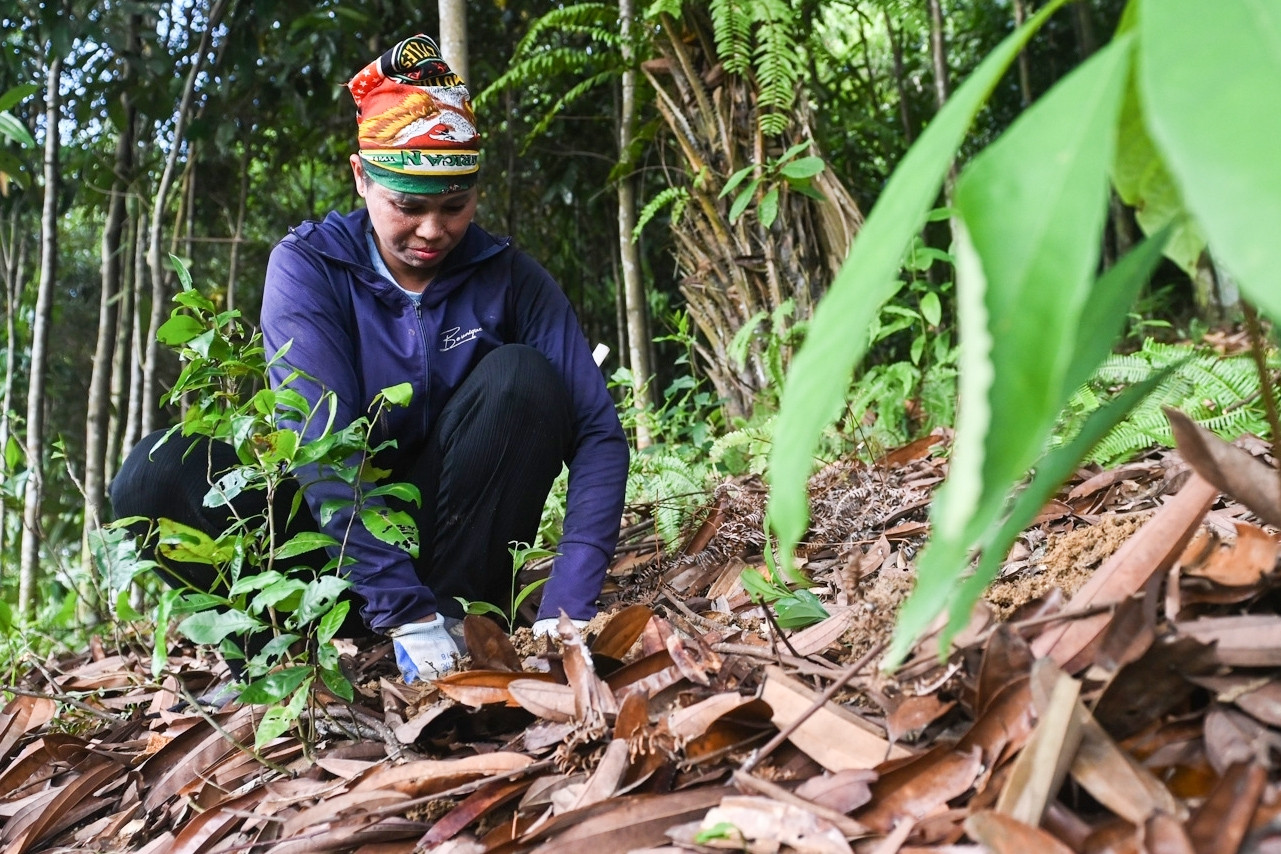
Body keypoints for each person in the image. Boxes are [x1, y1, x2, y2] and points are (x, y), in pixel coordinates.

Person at [110, 34, 630, 684]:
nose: (432, 230)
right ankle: (279, 652)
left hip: (449, 546)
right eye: (407, 207)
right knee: (152, 474)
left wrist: (568, 601)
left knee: (519, 378)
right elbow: (318, 444)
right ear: (362, 177)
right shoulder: (309, 268)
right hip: (324, 549)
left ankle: (461, 624)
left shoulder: (511, 280)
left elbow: (598, 436)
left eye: (454, 206)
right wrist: (397, 609)